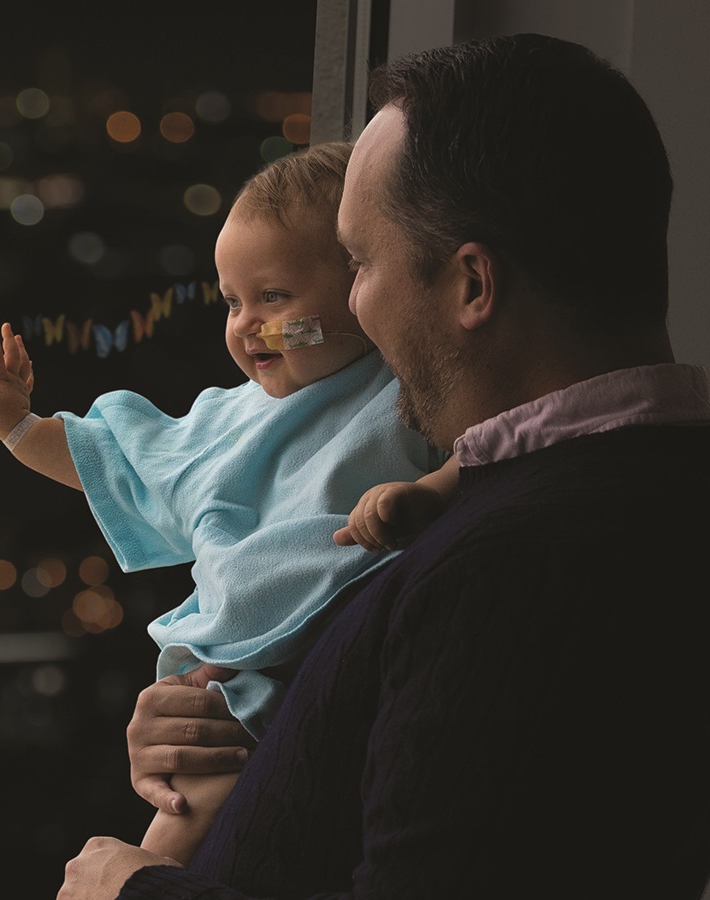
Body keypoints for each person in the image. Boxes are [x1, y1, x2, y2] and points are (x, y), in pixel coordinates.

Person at [57, 33, 710, 899]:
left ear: (473, 285)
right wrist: (236, 730)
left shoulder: (518, 567)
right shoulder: (596, 498)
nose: (353, 308)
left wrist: (130, 892)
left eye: (359, 264)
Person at [0, 142, 449, 863]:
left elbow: (493, 453)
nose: (247, 325)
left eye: (276, 299)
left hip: (340, 658)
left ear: (359, 281)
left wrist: (424, 495)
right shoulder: (229, 420)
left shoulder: (406, 387)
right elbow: (122, 462)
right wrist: (21, 428)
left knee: (187, 839)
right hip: (237, 674)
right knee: (183, 816)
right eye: (232, 302)